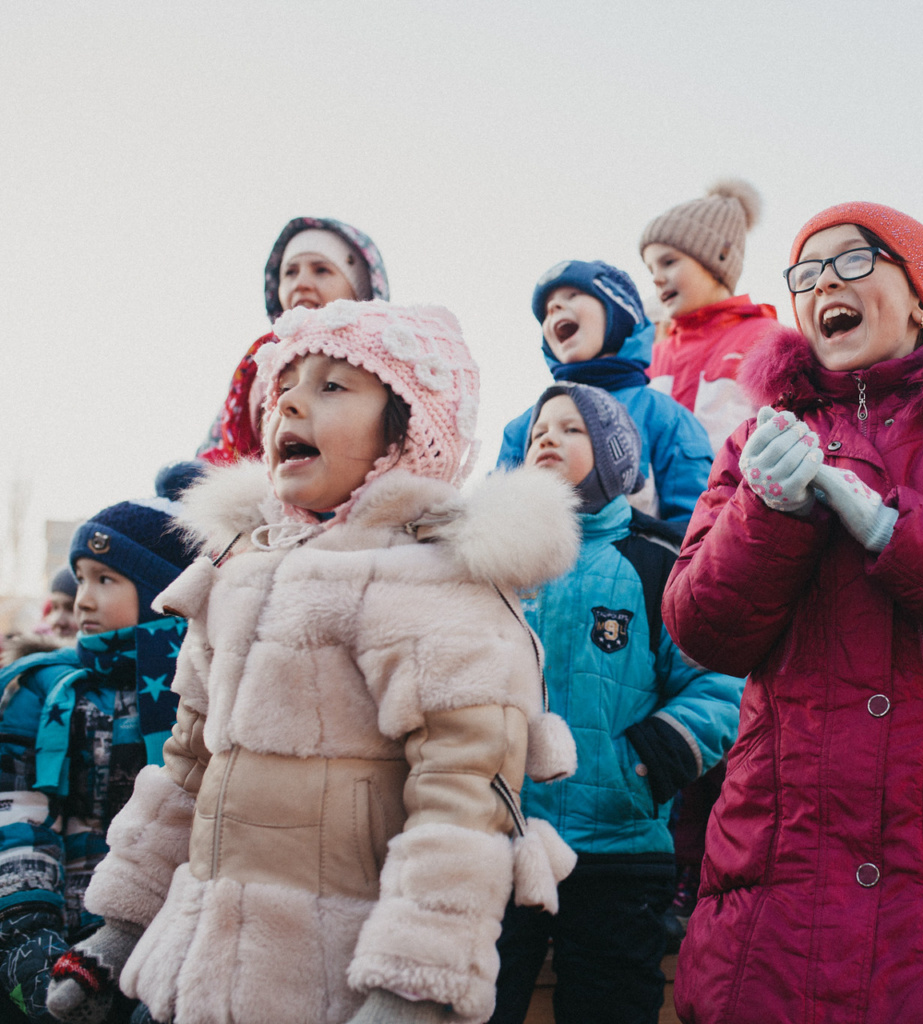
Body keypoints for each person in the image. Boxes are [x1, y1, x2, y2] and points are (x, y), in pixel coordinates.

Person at [45, 301, 581, 1024]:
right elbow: (186, 770)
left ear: (408, 432)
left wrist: (411, 987)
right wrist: (121, 925)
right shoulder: (238, 574)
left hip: (335, 983)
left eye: (334, 386)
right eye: (287, 383)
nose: (290, 399)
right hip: (196, 972)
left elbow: (462, 804)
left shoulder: (435, 586)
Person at [663, 201, 923, 1023]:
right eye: (807, 271)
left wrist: (897, 529)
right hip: (782, 861)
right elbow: (701, 626)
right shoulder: (759, 438)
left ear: (922, 300)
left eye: (855, 260)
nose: (826, 281)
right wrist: (767, 514)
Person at [492, 383, 742, 1024]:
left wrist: (649, 759)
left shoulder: (659, 559)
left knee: (612, 1005)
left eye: (571, 430)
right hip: (502, 839)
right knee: (477, 1004)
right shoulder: (494, 561)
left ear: (614, 457)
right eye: (538, 430)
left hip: (620, 848)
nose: (546, 437)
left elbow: (717, 682)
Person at [0, 499, 199, 1022]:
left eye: (106, 580)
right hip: (47, 934)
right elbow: (18, 818)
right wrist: (29, 943)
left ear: (162, 590)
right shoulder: (40, 688)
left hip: (160, 946)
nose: (84, 599)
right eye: (80, 578)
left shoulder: (196, 692)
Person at [496, 260, 713, 531]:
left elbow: (695, 528)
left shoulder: (665, 416)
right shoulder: (524, 428)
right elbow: (498, 525)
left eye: (573, 295)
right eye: (546, 311)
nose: (553, 308)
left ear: (618, 313)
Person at [197, 216, 388, 464]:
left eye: (322, 270)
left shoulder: (382, 363)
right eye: (290, 272)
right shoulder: (261, 362)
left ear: (359, 290)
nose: (301, 284)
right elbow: (219, 446)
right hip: (260, 490)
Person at [640, 180, 780, 451]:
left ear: (719, 257)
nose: (656, 278)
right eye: (650, 269)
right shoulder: (654, 354)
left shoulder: (764, 339)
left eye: (669, 262)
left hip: (737, 491)